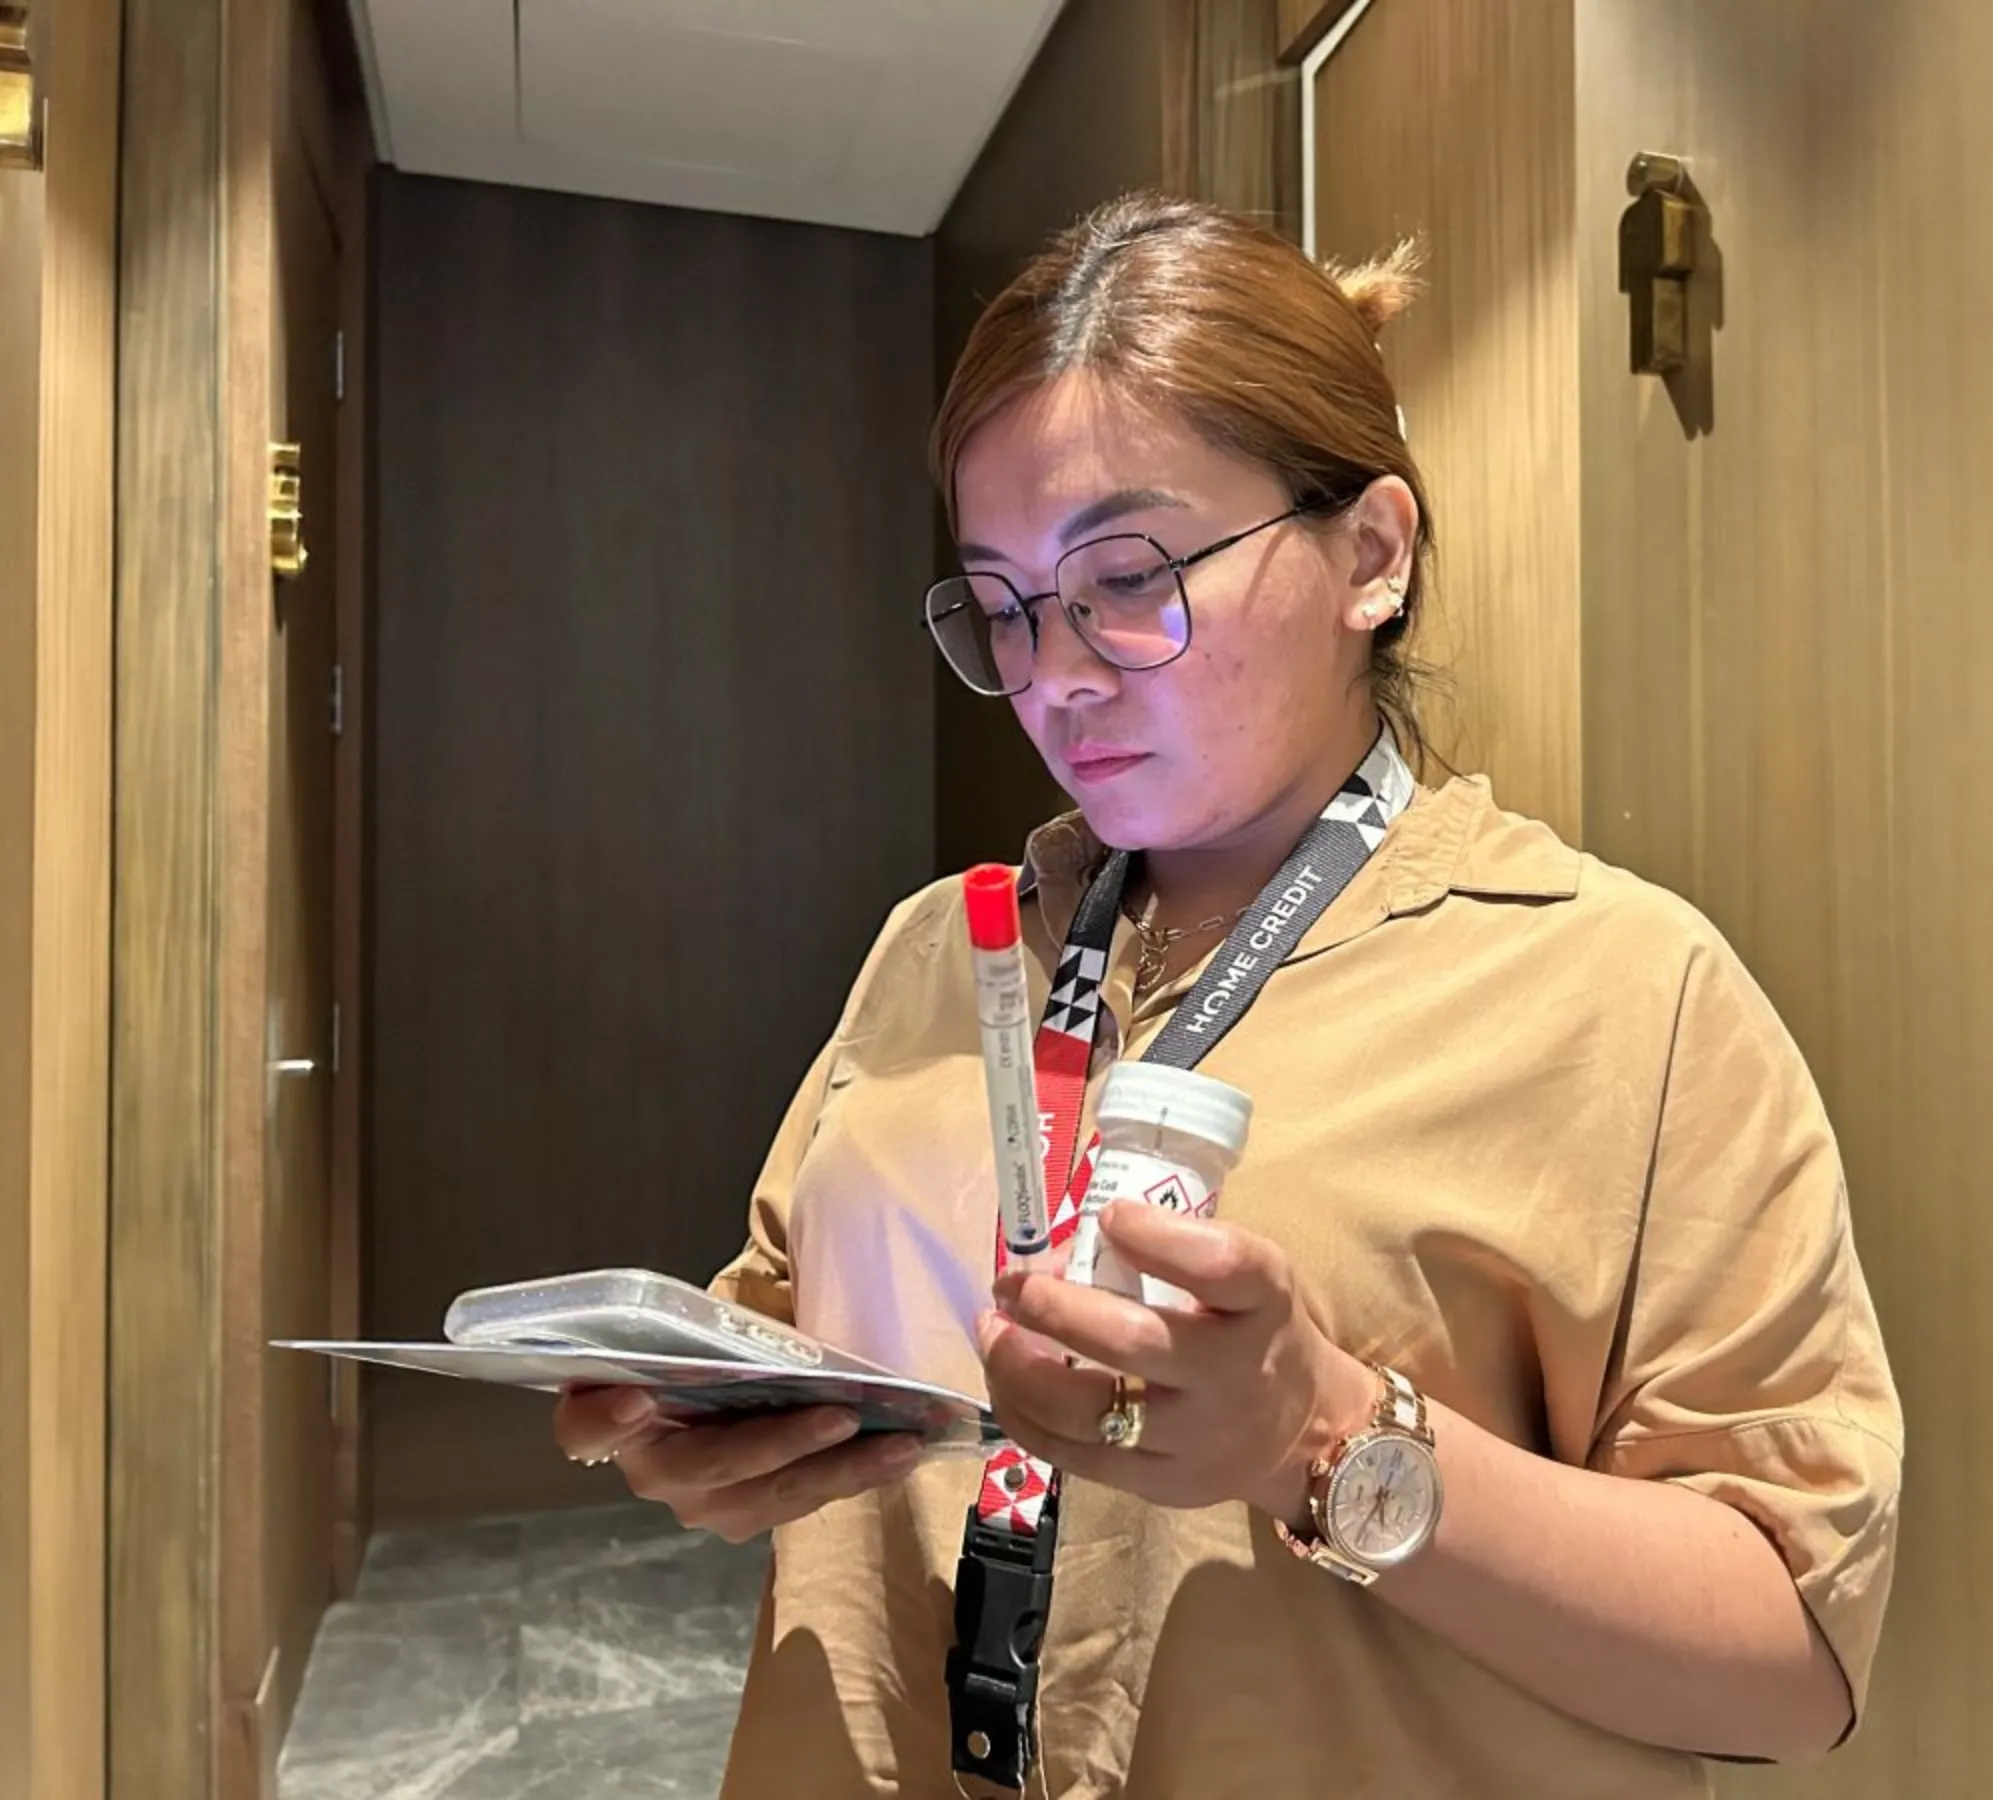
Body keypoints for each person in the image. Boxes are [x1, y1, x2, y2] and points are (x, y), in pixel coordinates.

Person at [555, 190, 1903, 1800]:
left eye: (1126, 575)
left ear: (1371, 555)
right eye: (1002, 603)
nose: (1054, 672)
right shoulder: (946, 949)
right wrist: (703, 1419)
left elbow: (1791, 1659)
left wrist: (1323, 1437)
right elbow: (786, 1309)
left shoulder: (1622, 993)